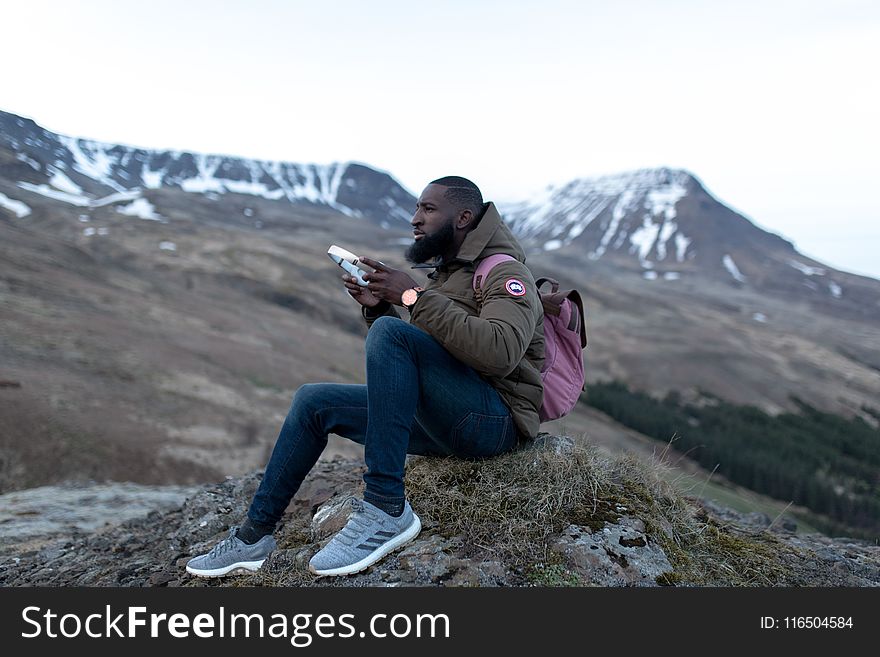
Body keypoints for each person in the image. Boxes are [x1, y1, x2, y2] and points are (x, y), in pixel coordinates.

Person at [185, 176, 544, 578]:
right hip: (448, 417)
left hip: (493, 425)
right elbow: (433, 352)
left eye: (427, 209)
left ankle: (385, 507)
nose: (415, 219)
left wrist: (411, 298)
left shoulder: (504, 272)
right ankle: (253, 538)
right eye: (416, 209)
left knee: (392, 335)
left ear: (463, 217)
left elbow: (500, 352)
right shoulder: (448, 274)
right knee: (314, 401)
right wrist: (378, 309)